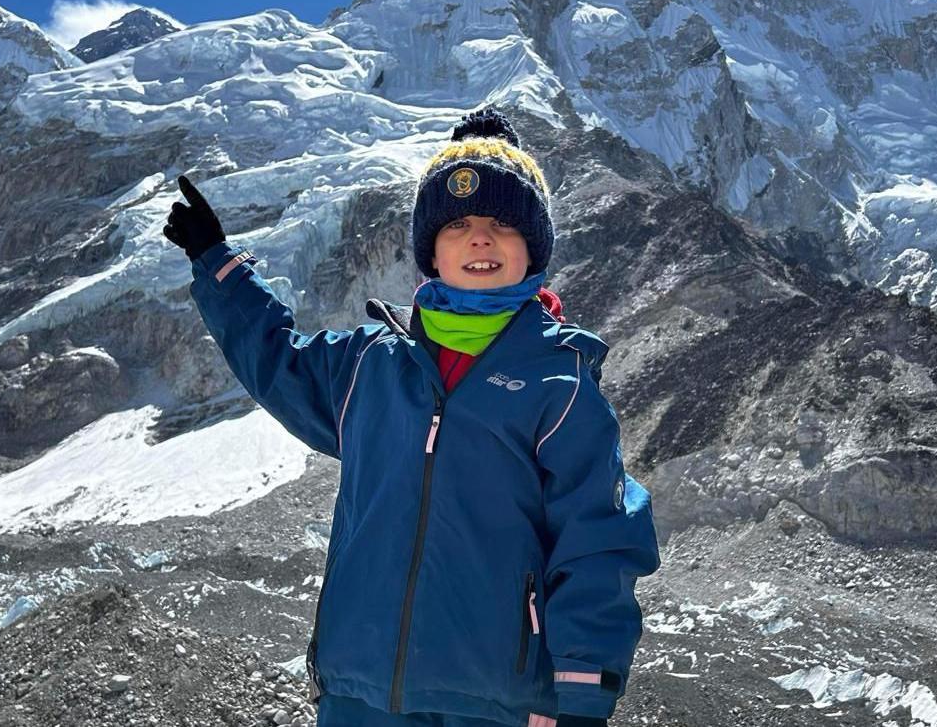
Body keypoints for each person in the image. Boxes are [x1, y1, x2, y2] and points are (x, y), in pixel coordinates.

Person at [164, 108, 660, 727]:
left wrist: (582, 697)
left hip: (495, 706)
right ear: (430, 249)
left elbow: (598, 543)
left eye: (503, 222)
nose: (480, 238)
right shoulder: (371, 364)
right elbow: (277, 363)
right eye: (457, 225)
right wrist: (218, 264)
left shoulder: (560, 385)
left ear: (533, 248)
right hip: (357, 693)